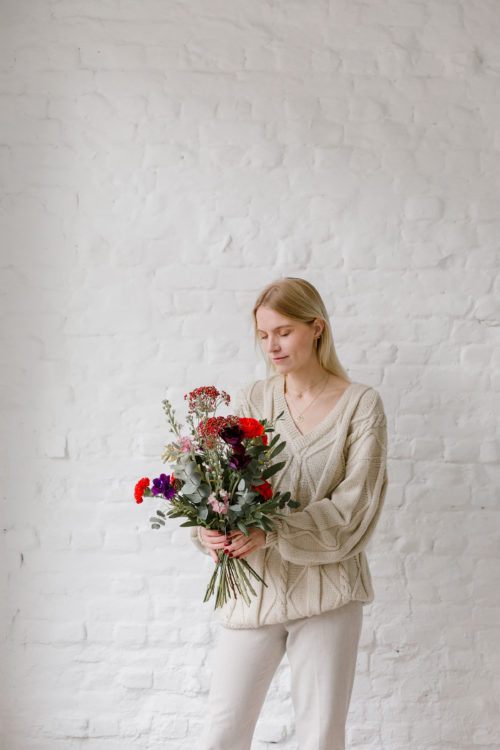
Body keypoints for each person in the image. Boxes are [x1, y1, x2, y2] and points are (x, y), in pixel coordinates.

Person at [190, 277, 388, 750]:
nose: (271, 345)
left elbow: (354, 507)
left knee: (320, 736)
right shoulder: (252, 400)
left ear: (316, 328)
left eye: (283, 331)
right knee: (222, 732)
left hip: (329, 594)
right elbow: (222, 483)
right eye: (262, 335)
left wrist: (272, 531)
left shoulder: (361, 405)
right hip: (254, 589)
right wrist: (211, 528)